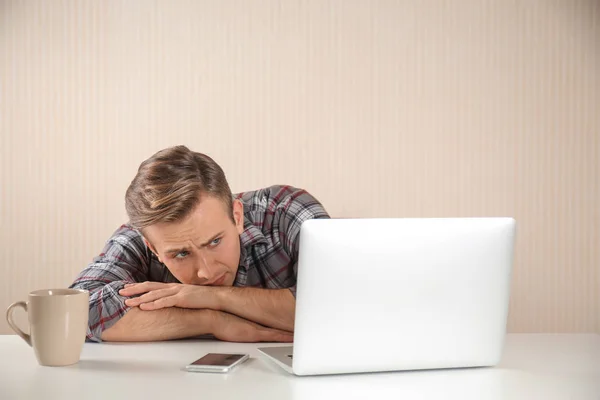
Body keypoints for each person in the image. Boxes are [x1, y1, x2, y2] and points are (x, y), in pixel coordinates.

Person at [69, 145, 330, 343]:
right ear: (152, 248)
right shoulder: (137, 238)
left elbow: (338, 307)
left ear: (237, 216)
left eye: (215, 241)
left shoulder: (287, 212)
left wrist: (211, 296)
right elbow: (74, 315)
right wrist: (212, 320)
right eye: (181, 254)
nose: (205, 272)